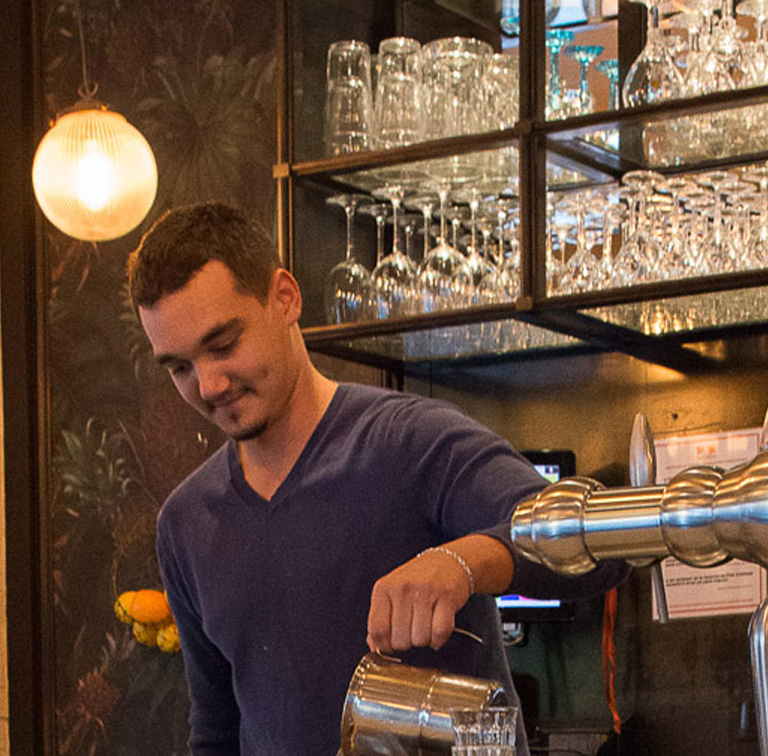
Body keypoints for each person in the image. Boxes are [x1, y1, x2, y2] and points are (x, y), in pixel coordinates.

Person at [130, 203, 626, 756]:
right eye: (179, 367)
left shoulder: (410, 440)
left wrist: (463, 562)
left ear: (285, 298)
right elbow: (217, 728)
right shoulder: (186, 522)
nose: (209, 383)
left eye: (223, 345)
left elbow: (601, 547)